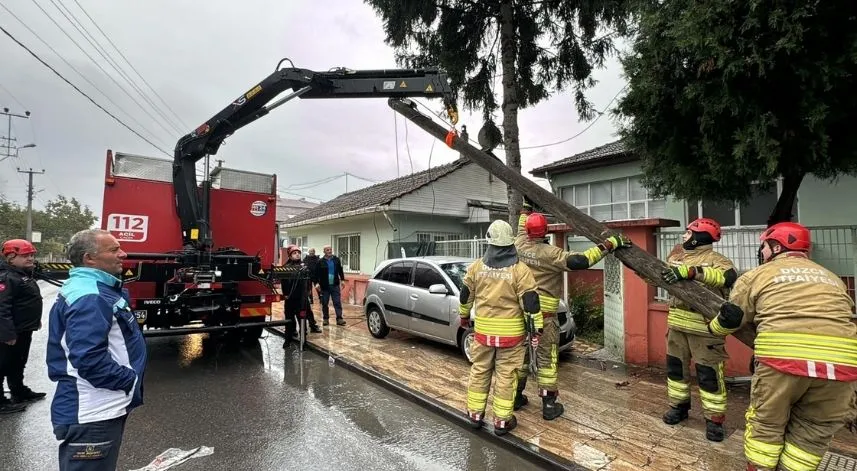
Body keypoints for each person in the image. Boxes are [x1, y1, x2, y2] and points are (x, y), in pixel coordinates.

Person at [707, 222, 857, 471]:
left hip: (783, 362)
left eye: (764, 246)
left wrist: (713, 329)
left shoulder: (757, 275)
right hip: (842, 366)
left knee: (767, 425)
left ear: (776, 247)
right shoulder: (832, 278)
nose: (761, 251)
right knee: (813, 431)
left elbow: (732, 318)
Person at [513, 204, 631, 420]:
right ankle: (549, 406)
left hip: (520, 315)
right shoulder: (551, 254)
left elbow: (522, 226)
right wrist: (610, 244)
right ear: (546, 231)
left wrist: (526, 210)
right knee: (547, 361)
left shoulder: (518, 244)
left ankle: (516, 398)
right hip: (545, 318)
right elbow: (581, 260)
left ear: (527, 230)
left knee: (519, 358)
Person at [47, 229, 148, 471]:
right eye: (114, 250)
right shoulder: (91, 296)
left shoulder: (94, 289)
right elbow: (89, 359)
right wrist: (128, 380)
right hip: (94, 411)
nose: (123, 254)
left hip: (100, 405)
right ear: (89, 258)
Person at [458, 219, 542, 436]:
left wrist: (464, 317)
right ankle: (502, 422)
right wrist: (536, 329)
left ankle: (475, 416)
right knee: (506, 376)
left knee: (479, 371)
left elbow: (465, 296)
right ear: (511, 243)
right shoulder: (520, 270)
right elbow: (531, 303)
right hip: (511, 337)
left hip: (483, 334)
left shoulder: (476, 267)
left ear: (489, 242)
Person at [659, 217, 737, 442]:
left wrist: (693, 272)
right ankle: (678, 407)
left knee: (709, 375)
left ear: (699, 237)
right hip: (676, 325)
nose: (684, 236)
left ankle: (714, 420)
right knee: (676, 370)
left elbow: (727, 278)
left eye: (688, 232)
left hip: (705, 330)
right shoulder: (676, 256)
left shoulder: (717, 260)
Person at [0, 239, 46, 414]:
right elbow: (2, 308)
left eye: (32, 255)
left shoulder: (21, 274)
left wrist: (34, 320)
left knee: (18, 362)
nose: (31, 258)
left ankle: (18, 391)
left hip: (23, 329)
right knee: (2, 365)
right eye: (26, 255)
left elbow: (26, 301)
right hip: (10, 332)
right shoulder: (7, 277)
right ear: (11, 257)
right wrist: (7, 333)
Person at [281, 245, 321, 349]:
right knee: (289, 320)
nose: (297, 254)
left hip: (302, 299)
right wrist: (285, 295)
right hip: (290, 299)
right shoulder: (285, 267)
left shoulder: (304, 266)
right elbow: (283, 283)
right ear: (290, 256)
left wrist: (308, 291)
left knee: (302, 320)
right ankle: (287, 340)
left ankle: (303, 341)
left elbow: (309, 279)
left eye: (298, 253)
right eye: (294, 253)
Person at [313, 245, 346, 326]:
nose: (329, 251)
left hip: (335, 285)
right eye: (327, 250)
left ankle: (339, 318)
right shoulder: (320, 261)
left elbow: (340, 270)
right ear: (324, 251)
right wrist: (316, 283)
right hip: (325, 286)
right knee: (325, 303)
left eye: (330, 249)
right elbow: (315, 274)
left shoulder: (336, 259)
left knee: (337, 302)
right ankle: (326, 319)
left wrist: (342, 280)